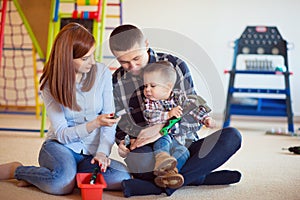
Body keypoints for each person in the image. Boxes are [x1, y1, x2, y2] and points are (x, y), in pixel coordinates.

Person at [109, 24, 242, 197]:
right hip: (149, 149)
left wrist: (161, 129)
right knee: (137, 162)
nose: (132, 66)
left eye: (136, 58)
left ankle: (156, 187)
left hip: (183, 143)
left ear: (146, 45)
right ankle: (199, 177)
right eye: (124, 62)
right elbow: (121, 123)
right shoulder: (117, 80)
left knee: (232, 137)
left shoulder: (175, 65)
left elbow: (192, 113)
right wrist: (124, 142)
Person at [0, 22, 131, 195]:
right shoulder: (50, 85)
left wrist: (102, 153)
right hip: (60, 146)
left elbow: (110, 121)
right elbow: (62, 134)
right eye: (84, 58)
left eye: (92, 55)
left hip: (90, 152)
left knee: (122, 176)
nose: (92, 62)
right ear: (67, 58)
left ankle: (63, 176)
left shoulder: (102, 73)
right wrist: (94, 124)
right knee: (61, 184)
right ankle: (17, 170)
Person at [140, 60, 216, 189]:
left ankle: (170, 173)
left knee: (184, 152)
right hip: (161, 137)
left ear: (168, 87)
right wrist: (168, 114)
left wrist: (205, 119)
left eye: (152, 86)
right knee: (163, 141)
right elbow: (150, 116)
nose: (147, 90)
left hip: (180, 140)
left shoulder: (180, 97)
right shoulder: (150, 102)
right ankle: (161, 158)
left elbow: (194, 108)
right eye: (145, 86)